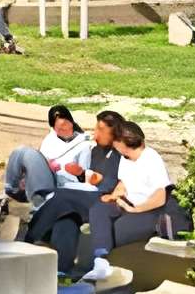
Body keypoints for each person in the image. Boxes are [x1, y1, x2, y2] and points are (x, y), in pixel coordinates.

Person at [79, 116, 175, 289]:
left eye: (117, 142)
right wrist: (115, 195)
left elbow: (160, 196)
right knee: (99, 209)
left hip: (148, 210)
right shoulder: (125, 158)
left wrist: (136, 209)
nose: (114, 145)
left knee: (119, 229)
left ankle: (109, 273)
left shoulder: (151, 159)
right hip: (126, 203)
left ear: (125, 143)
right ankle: (100, 263)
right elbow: (124, 182)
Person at [36, 111, 128, 279]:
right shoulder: (95, 150)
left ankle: (34, 234)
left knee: (60, 197)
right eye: (95, 127)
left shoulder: (120, 153)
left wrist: (85, 174)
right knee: (66, 218)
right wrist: (78, 173)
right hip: (85, 197)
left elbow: (110, 185)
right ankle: (62, 271)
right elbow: (85, 177)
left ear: (114, 132)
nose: (95, 133)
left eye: (100, 129)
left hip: (103, 202)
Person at [0, 104, 97, 225]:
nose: (64, 130)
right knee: (21, 151)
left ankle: (40, 204)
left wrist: (70, 171)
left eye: (66, 125)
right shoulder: (50, 139)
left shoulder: (83, 145)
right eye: (59, 128)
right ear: (53, 128)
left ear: (71, 121)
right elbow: (40, 159)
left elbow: (83, 177)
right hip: (39, 180)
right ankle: (12, 190)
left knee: (30, 154)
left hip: (59, 184)